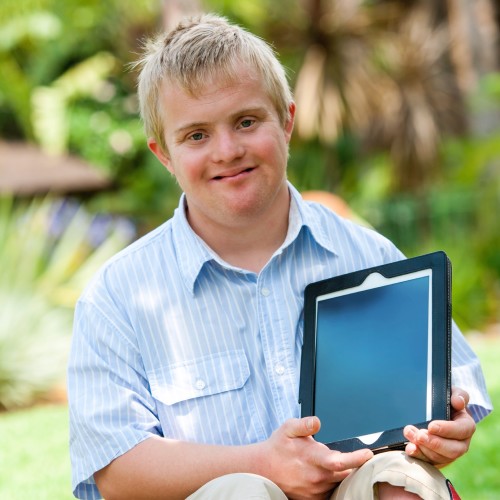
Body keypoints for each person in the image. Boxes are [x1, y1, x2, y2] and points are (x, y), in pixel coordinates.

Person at [68, 14, 492, 500]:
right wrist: (260, 463)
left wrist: (449, 422)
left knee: (398, 479)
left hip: (352, 483)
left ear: (286, 121)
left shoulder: (367, 255)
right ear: (163, 153)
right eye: (196, 136)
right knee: (241, 490)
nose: (227, 150)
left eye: (246, 122)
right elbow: (116, 470)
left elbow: (455, 381)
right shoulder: (117, 296)